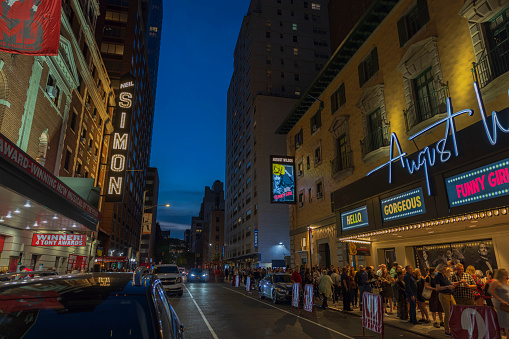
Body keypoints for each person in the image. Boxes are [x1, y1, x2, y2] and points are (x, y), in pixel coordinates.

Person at [435, 264, 456, 336]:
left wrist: (452, 285)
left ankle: (453, 327)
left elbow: (449, 283)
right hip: (443, 295)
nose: (446, 270)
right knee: (447, 313)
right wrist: (447, 287)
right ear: (440, 269)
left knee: (454, 309)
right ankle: (447, 330)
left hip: (449, 295)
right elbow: (438, 288)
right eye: (444, 269)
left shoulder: (445, 276)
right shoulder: (438, 276)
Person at [488, 269, 509, 338]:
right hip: (502, 306)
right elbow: (491, 291)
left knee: (507, 324)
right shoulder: (496, 282)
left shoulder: (504, 282)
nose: (507, 276)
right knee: (504, 323)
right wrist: (501, 300)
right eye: (505, 274)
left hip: (507, 305)